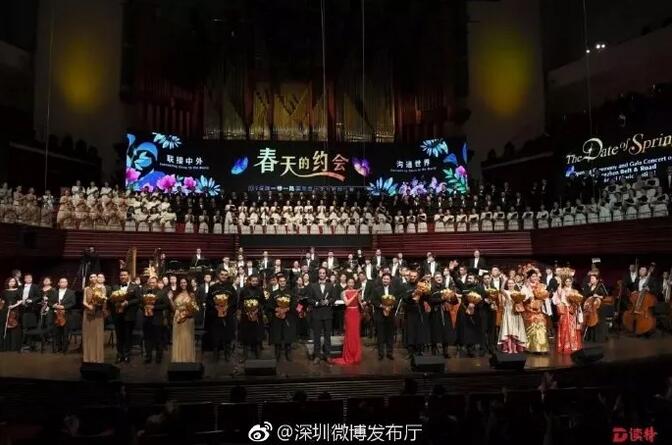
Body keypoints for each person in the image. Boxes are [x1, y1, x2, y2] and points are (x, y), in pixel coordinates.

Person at [307, 267, 337, 364]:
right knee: (316, 336)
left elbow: (334, 298)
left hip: (327, 314)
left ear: (326, 275)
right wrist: (317, 303)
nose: (322, 274)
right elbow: (309, 299)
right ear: (318, 274)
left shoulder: (330, 286)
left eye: (323, 273)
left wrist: (328, 301)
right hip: (316, 314)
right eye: (320, 273)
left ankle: (328, 355)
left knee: (327, 336)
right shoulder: (312, 286)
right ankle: (317, 356)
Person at [110, 269, 140, 363]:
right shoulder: (115, 287)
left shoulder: (135, 287)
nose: (123, 277)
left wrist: (128, 303)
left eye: (124, 275)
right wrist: (115, 303)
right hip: (117, 315)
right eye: (121, 275)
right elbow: (111, 299)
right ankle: (119, 355)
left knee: (128, 336)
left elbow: (138, 300)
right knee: (119, 336)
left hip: (129, 316)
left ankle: (127, 355)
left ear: (128, 276)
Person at [207, 269, 237, 362]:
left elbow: (234, 300)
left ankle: (227, 355)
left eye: (225, 275)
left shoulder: (231, 288)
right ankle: (215, 355)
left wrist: (228, 306)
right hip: (216, 316)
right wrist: (215, 306)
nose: (224, 276)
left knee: (227, 336)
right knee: (216, 336)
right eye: (222, 274)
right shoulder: (212, 287)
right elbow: (208, 300)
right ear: (218, 275)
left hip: (227, 315)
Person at [332, 277, 363, 365]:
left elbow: (360, 303)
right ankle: (349, 354)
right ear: (347, 283)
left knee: (356, 333)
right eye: (349, 282)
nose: (351, 284)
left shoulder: (357, 291)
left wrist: (361, 299)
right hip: (349, 313)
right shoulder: (343, 292)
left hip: (356, 313)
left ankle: (356, 355)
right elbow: (347, 303)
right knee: (349, 333)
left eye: (352, 282)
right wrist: (355, 294)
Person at [267, 275, 297, 361]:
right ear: (278, 282)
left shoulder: (291, 293)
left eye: (284, 281)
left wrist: (287, 309)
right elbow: (269, 305)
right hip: (277, 317)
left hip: (288, 317)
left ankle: (288, 353)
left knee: (288, 335)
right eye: (281, 281)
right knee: (277, 335)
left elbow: (295, 304)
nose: (282, 282)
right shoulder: (274, 293)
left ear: (286, 282)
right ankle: (277, 353)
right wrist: (276, 309)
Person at [402, 269, 430, 358]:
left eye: (414, 276)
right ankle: (410, 352)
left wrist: (425, 293)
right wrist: (413, 293)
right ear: (409, 276)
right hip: (410, 311)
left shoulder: (421, 284)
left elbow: (427, 298)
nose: (413, 278)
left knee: (420, 331)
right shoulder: (405, 286)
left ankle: (419, 351)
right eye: (411, 276)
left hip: (420, 311)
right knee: (410, 331)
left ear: (417, 277)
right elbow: (404, 298)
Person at [142, 276, 170, 364]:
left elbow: (166, 305)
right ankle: (148, 356)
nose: (152, 284)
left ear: (157, 283)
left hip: (157, 319)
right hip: (146, 319)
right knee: (147, 339)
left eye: (153, 282)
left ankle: (159, 357)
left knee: (158, 339)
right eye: (150, 282)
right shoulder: (145, 292)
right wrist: (145, 307)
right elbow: (140, 303)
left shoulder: (162, 292)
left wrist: (154, 307)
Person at [521, 269, 549, 354]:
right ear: (529, 277)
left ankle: (542, 347)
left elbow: (544, 296)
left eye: (536, 276)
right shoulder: (525, 286)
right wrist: (530, 296)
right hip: (529, 309)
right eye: (533, 276)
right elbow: (523, 297)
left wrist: (542, 297)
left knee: (541, 325)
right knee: (532, 327)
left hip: (538, 308)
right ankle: (532, 347)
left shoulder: (540, 285)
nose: (535, 278)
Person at [238, 275, 265, 360]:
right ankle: (245, 355)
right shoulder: (243, 291)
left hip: (257, 316)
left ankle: (257, 354)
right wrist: (246, 312)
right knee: (245, 335)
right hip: (245, 316)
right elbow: (240, 303)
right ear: (249, 281)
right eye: (253, 281)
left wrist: (257, 311)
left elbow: (262, 303)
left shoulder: (260, 291)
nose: (255, 282)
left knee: (257, 335)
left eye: (256, 281)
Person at [371, 273, 397, 360]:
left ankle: (390, 353)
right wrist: (382, 306)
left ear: (390, 280)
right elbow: (373, 300)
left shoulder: (394, 290)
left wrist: (391, 306)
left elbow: (397, 300)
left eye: (387, 279)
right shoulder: (376, 289)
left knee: (390, 334)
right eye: (384, 279)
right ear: (382, 280)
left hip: (390, 314)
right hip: (380, 314)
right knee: (380, 335)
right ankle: (381, 353)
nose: (385, 280)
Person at [170, 277, 197, 363]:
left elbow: (194, 308)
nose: (183, 284)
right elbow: (174, 308)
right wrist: (170, 299)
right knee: (178, 338)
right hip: (177, 318)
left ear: (187, 283)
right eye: (181, 282)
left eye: (184, 282)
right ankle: (178, 359)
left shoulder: (191, 294)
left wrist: (187, 314)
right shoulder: (176, 294)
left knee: (187, 338)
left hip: (187, 319)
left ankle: (187, 359)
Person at [553, 277, 583, 354]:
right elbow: (556, 300)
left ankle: (573, 345)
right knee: (564, 327)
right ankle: (565, 345)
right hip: (565, 311)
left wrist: (576, 303)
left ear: (572, 282)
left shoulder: (575, 291)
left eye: (569, 281)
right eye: (566, 281)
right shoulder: (562, 290)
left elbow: (578, 301)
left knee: (572, 328)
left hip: (572, 311)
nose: (568, 282)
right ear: (564, 282)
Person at [82, 274, 107, 363]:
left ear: (97, 278)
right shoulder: (86, 289)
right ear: (89, 279)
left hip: (98, 314)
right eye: (91, 277)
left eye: (94, 277)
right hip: (87, 313)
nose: (93, 278)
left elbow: (104, 301)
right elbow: (84, 301)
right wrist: (89, 306)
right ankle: (88, 358)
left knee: (98, 335)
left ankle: (98, 358)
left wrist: (99, 306)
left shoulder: (102, 288)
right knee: (88, 336)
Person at [498, 279, 527, 353]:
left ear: (514, 284)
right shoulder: (506, 292)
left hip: (516, 313)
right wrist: (504, 280)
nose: (510, 285)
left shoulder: (517, 293)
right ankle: (509, 348)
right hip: (508, 313)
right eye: (509, 283)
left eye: (512, 283)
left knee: (515, 330)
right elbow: (501, 290)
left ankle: (515, 348)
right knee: (509, 330)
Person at [50, 278, 75, 353]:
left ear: (67, 283)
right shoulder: (54, 292)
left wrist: (64, 307)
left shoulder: (71, 292)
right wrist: (53, 305)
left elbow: (73, 303)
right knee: (56, 332)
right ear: (59, 283)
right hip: (56, 315)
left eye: (65, 282)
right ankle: (58, 347)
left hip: (66, 314)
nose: (63, 283)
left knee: (65, 332)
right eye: (61, 282)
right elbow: (49, 302)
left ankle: (64, 349)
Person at [582, 272, 608, 343]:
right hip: (591, 306)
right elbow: (586, 294)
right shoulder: (590, 286)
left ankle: (598, 337)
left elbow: (605, 294)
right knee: (590, 320)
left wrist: (598, 296)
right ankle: (590, 337)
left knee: (598, 321)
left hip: (598, 306)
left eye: (593, 278)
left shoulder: (600, 285)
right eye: (591, 278)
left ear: (597, 280)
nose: (591, 280)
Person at [1, 277, 21, 352]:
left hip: (14, 310)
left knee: (14, 327)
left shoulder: (17, 291)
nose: (12, 283)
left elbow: (20, 301)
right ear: (8, 282)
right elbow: (2, 301)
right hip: (5, 310)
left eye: (13, 281)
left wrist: (13, 306)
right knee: (5, 327)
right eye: (10, 281)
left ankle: (14, 347)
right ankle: (5, 347)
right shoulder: (4, 291)